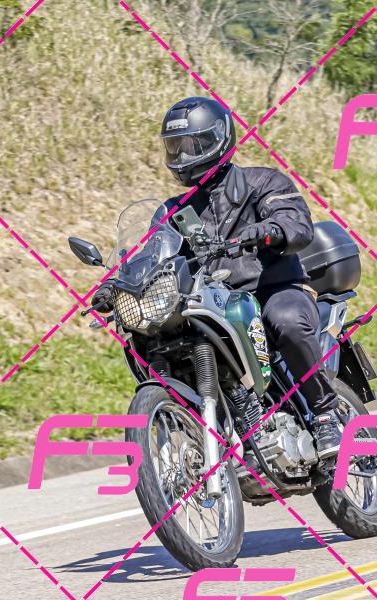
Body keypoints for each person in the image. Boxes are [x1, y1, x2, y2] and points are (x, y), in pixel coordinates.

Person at [94, 96, 342, 458]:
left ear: (218, 140)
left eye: (191, 145)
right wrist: (116, 285)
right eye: (175, 146)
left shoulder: (263, 182)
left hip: (272, 288)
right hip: (211, 301)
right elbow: (149, 255)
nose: (182, 155)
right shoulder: (173, 211)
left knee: (286, 320)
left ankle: (324, 415)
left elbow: (296, 223)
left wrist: (271, 230)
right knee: (158, 338)